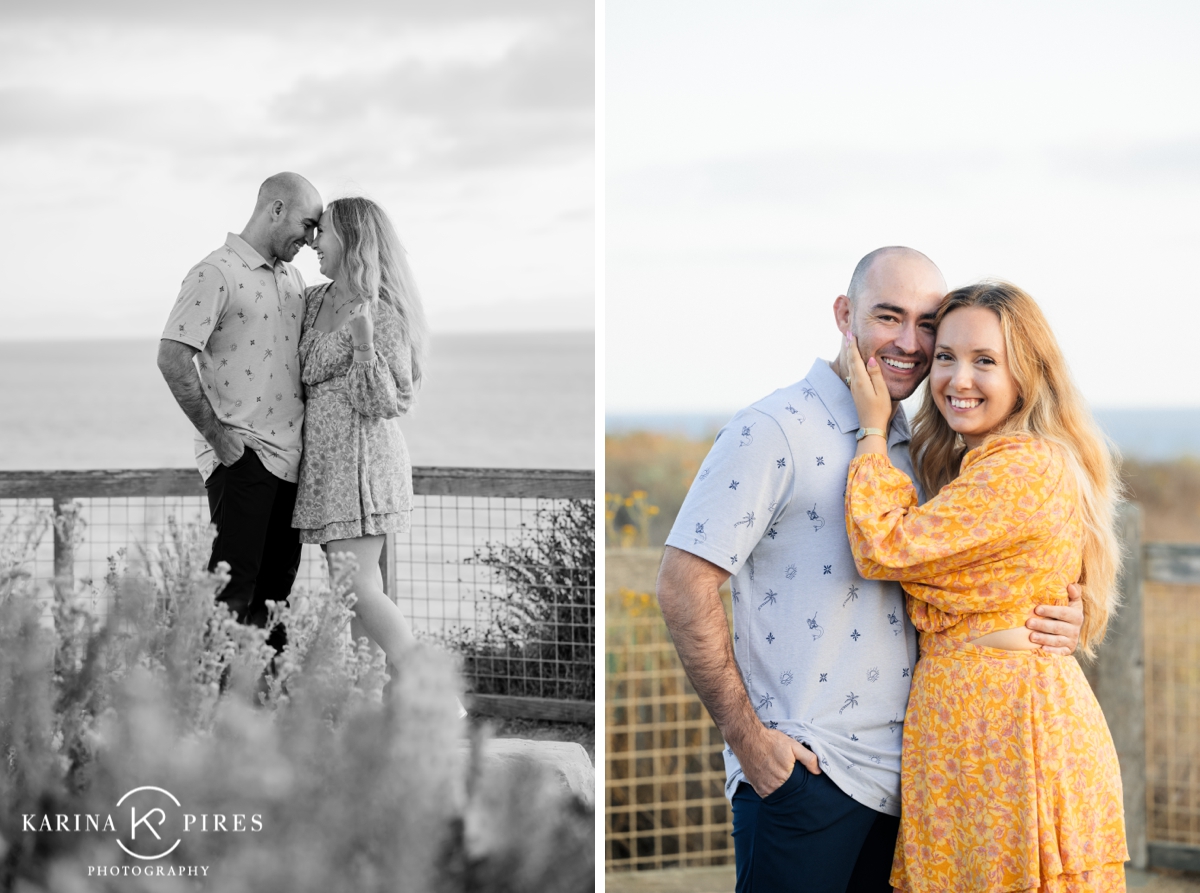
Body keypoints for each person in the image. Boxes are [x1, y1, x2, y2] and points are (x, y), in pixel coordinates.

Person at [655, 247, 1085, 893]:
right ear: (844, 314)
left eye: (928, 324)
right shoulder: (775, 428)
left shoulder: (918, 445)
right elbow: (680, 581)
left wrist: (1055, 615)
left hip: (911, 782)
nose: (910, 343)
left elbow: (966, 574)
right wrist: (750, 742)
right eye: (889, 317)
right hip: (807, 773)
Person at [842, 281, 1127, 892]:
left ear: (1025, 375)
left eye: (985, 361)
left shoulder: (1022, 465)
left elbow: (883, 545)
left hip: (1011, 733)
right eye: (945, 356)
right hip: (973, 728)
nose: (957, 379)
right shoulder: (981, 464)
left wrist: (872, 430)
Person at [158, 172, 323, 646]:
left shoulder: (294, 278)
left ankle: (265, 714)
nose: (311, 240)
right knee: (231, 599)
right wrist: (221, 440)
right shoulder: (215, 273)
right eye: (307, 225)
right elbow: (172, 356)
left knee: (275, 602)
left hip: (294, 464)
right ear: (275, 209)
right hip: (242, 456)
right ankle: (216, 713)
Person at [291, 196, 430, 670]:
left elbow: (388, 403)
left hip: (364, 468)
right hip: (326, 471)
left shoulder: (383, 311)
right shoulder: (313, 301)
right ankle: (367, 706)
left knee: (357, 587)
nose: (313, 241)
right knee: (352, 592)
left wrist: (364, 344)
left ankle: (436, 698)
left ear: (351, 240)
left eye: (323, 231)